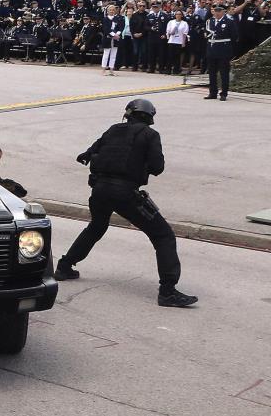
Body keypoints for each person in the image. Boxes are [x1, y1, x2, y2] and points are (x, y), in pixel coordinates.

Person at [55, 99, 197, 308]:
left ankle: (64, 266)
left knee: (96, 226)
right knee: (163, 235)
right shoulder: (150, 135)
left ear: (128, 114)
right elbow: (158, 167)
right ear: (149, 117)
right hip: (125, 193)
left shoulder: (113, 129)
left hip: (99, 190)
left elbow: (89, 153)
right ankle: (168, 291)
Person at [203, 3, 238, 101]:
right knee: (212, 73)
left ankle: (224, 93)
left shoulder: (229, 22)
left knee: (223, 73)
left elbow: (234, 36)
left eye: (219, 11)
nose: (217, 13)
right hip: (212, 49)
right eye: (215, 10)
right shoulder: (210, 21)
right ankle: (212, 92)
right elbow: (206, 33)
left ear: (224, 12)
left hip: (223, 50)